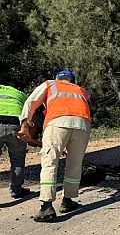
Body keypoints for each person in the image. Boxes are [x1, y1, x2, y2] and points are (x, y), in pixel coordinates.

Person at [15, 70, 91, 222]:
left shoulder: (50, 84)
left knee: (50, 161)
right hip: (83, 124)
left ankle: (46, 206)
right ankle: (67, 201)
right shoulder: (80, 90)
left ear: (58, 78)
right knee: (75, 164)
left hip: (57, 122)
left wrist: (24, 126)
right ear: (72, 80)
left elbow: (31, 102)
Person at [0, 81, 30, 199]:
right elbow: (28, 111)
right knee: (17, 159)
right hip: (16, 126)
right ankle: (16, 190)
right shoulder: (20, 94)